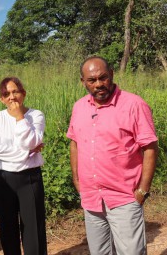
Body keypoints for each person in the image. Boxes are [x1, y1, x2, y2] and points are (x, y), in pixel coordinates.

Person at [67, 56, 158, 254]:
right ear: (83, 82)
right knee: (99, 252)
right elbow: (74, 143)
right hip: (91, 198)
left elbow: (150, 147)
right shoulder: (79, 107)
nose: (99, 84)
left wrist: (142, 191)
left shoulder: (134, 105)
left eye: (103, 78)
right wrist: (76, 180)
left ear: (112, 75)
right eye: (92, 80)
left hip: (124, 198)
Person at [0, 77, 47, 255]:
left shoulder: (36, 115)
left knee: (33, 227)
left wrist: (20, 117)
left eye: (15, 92)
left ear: (23, 94)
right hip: (3, 178)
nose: (11, 97)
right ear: (1, 99)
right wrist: (26, 153)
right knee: (7, 227)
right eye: (6, 94)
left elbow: (32, 140)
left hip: (29, 177)